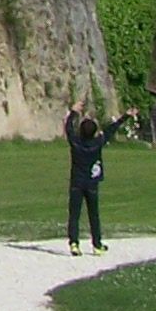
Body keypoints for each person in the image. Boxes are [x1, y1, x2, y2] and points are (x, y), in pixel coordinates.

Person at [62, 98, 126, 253]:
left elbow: (69, 128)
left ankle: (74, 243)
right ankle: (97, 245)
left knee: (74, 214)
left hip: (77, 182)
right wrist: (126, 116)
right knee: (94, 215)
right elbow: (111, 129)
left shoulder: (75, 142)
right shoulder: (97, 143)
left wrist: (73, 112)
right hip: (91, 183)